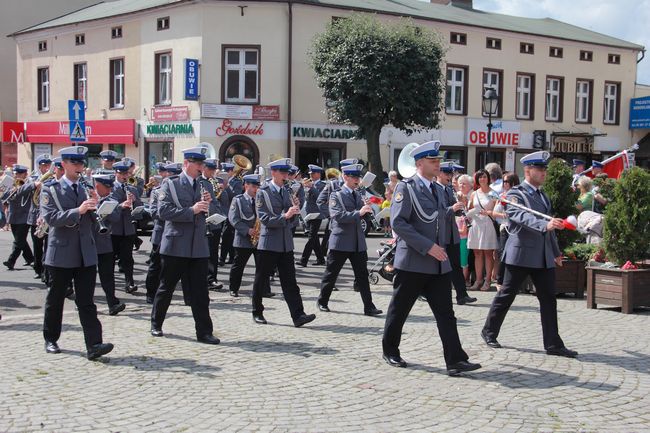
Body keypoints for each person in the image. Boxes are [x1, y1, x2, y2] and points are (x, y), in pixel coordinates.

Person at [382, 140, 481, 376]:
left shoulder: (440, 189)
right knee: (400, 309)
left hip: (438, 263)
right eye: (433, 160)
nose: (438, 164)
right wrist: (429, 247)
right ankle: (390, 350)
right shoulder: (406, 188)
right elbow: (399, 223)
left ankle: (455, 359)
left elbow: (439, 220)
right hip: (414, 261)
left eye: (438, 160)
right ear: (419, 163)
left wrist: (448, 245)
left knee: (446, 313)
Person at [481, 151, 578, 358]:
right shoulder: (516, 194)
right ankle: (489, 331)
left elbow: (548, 229)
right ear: (527, 170)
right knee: (506, 295)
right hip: (521, 254)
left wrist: (556, 252)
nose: (544, 173)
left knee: (549, 299)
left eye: (545, 169)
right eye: (540, 169)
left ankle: (553, 344)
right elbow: (522, 217)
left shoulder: (543, 196)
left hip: (542, 256)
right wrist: (546, 224)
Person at [41, 146, 113, 360]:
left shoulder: (85, 187)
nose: (80, 167)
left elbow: (92, 222)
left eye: (82, 163)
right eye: (75, 163)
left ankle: (94, 345)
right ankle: (51, 338)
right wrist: (78, 211)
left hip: (86, 254)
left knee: (87, 301)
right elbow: (51, 218)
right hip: (61, 253)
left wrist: (96, 206)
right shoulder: (51, 189)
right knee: (55, 300)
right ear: (63, 164)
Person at [150, 146, 220, 344]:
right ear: (187, 164)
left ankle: (204, 332)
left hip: (198, 246)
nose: (201, 168)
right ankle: (156, 323)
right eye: (198, 164)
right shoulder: (170, 184)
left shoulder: (204, 185)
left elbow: (213, 209)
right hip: (175, 245)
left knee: (200, 292)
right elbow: (163, 212)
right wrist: (192, 210)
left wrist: (209, 205)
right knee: (167, 288)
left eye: (202, 165)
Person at [251, 158, 315, 327]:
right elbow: (264, 219)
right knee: (261, 279)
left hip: (285, 243)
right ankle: (257, 311)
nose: (286, 176)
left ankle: (298, 314)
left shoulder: (287, 191)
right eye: (283, 173)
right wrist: (285, 216)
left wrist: (295, 211)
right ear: (273, 173)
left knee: (290, 281)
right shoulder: (263, 192)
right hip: (269, 243)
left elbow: (292, 222)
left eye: (287, 173)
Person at [317, 164, 383, 316]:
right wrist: (358, 213)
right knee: (331, 274)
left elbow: (362, 214)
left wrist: (368, 209)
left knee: (362, 276)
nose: (357, 180)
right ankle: (322, 301)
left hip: (357, 241)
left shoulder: (359, 194)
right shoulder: (336, 195)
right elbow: (337, 216)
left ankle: (369, 306)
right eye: (353, 177)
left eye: (358, 177)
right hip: (340, 240)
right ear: (345, 177)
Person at [437, 162, 477, 305]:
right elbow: (435, 212)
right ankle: (424, 292)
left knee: (456, 265)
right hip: (439, 234)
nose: (449, 177)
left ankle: (461, 295)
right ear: (439, 173)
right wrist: (451, 209)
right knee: (436, 266)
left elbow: (453, 208)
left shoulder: (449, 190)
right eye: (447, 174)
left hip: (452, 233)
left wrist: (461, 210)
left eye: (450, 174)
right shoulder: (434, 189)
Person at [92, 173, 126, 316]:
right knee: (86, 277)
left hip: (104, 242)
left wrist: (103, 208)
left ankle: (112, 303)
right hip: (87, 242)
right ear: (97, 186)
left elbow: (116, 218)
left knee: (107, 276)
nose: (110, 190)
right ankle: (82, 302)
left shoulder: (112, 199)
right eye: (107, 188)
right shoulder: (86, 197)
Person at [228, 174, 263, 297]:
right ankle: (234, 288)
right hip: (243, 239)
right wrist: (247, 230)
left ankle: (263, 290)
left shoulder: (260, 200)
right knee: (238, 266)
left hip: (258, 238)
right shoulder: (238, 200)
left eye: (257, 186)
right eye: (253, 186)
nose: (256, 189)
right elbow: (233, 219)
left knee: (262, 266)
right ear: (246, 185)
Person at [111, 160, 142, 294]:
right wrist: (122, 204)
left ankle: (129, 283)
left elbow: (140, 209)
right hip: (114, 229)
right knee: (110, 258)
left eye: (127, 173)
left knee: (127, 258)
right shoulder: (110, 187)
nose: (125, 176)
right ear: (116, 173)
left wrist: (135, 201)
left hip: (128, 229)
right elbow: (108, 206)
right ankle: (109, 283)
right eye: (122, 173)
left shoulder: (132, 188)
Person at [467, 169, 498, 291]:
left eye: (484, 177)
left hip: (488, 224)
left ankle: (487, 280)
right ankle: (478, 280)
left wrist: (489, 212)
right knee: (477, 253)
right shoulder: (474, 193)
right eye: (480, 177)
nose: (482, 179)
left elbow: (498, 211)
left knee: (488, 253)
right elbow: (469, 208)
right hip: (476, 224)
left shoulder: (493, 193)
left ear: (488, 178)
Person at [2, 164, 35, 271]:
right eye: (15, 174)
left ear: (25, 174)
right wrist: (9, 190)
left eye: (19, 173)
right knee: (20, 240)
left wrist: (19, 187)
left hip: (24, 216)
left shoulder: (29, 183)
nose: (17, 176)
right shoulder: (11, 184)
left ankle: (11, 261)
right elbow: (4, 197)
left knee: (18, 241)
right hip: (13, 216)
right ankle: (31, 259)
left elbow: (29, 189)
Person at [492, 172, 520, 290]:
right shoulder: (502, 195)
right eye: (503, 181)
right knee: (503, 253)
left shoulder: (519, 195)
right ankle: (500, 279)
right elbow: (494, 213)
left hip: (515, 228)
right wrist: (504, 214)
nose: (505, 184)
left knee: (515, 254)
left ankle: (513, 281)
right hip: (505, 227)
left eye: (507, 181)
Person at [28, 154, 53, 280]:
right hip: (35, 216)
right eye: (44, 166)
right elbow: (22, 191)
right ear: (39, 166)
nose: (46, 168)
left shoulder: (52, 178)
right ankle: (38, 269)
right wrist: (34, 185)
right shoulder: (33, 178)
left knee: (48, 245)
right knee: (37, 245)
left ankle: (46, 271)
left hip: (47, 216)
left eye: (48, 165)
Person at [297, 164, 326, 266]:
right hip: (309, 214)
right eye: (310, 174)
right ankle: (321, 259)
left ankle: (303, 260)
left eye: (313, 174)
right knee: (314, 238)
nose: (311, 176)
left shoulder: (322, 185)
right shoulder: (310, 183)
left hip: (317, 214)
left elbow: (320, 197)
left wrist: (311, 187)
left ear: (318, 174)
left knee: (311, 237)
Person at [218, 162, 237, 265]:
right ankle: (223, 257)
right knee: (224, 237)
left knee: (227, 237)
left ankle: (226, 257)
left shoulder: (235, 181)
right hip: (218, 213)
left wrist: (227, 186)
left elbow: (233, 197)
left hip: (227, 214)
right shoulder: (214, 182)